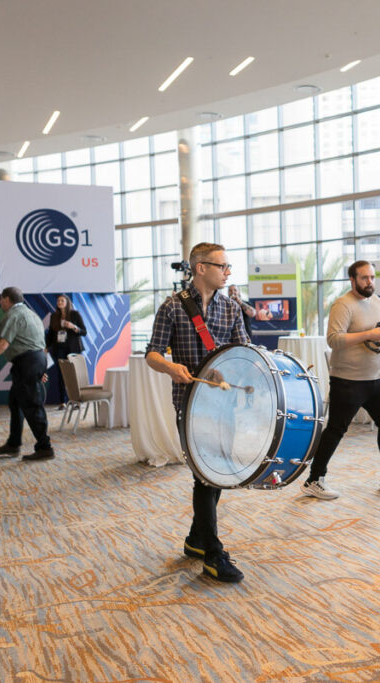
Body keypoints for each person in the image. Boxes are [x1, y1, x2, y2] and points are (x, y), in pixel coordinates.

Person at [146, 242, 249, 583]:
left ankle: (195, 540)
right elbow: (152, 354)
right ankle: (214, 554)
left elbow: (243, 355)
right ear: (201, 268)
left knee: (217, 472)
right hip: (190, 403)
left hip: (224, 403)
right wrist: (171, 367)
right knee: (205, 475)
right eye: (223, 266)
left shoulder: (232, 309)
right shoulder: (173, 307)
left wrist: (230, 372)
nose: (228, 272)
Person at [300, 260, 380, 500]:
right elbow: (333, 340)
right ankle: (313, 480)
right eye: (364, 278)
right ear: (352, 280)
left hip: (375, 378)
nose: (370, 282)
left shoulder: (376, 301)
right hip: (348, 380)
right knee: (336, 429)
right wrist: (367, 335)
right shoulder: (342, 304)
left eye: (372, 277)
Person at [0, 287, 54, 461]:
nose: (0, 303)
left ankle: (45, 447)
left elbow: (2, 345)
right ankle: (13, 444)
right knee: (15, 403)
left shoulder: (13, 315)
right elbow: (40, 344)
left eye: (1, 300)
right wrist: (40, 369)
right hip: (36, 360)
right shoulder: (31, 314)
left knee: (32, 405)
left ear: (7, 299)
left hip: (27, 363)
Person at [46, 294, 87, 405]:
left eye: (62, 300)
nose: (59, 302)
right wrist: (46, 346)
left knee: (73, 375)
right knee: (61, 374)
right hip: (59, 348)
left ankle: (76, 401)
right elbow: (50, 334)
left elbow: (84, 331)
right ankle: (62, 402)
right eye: (58, 300)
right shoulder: (54, 316)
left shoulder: (75, 314)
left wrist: (73, 327)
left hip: (73, 349)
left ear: (67, 302)